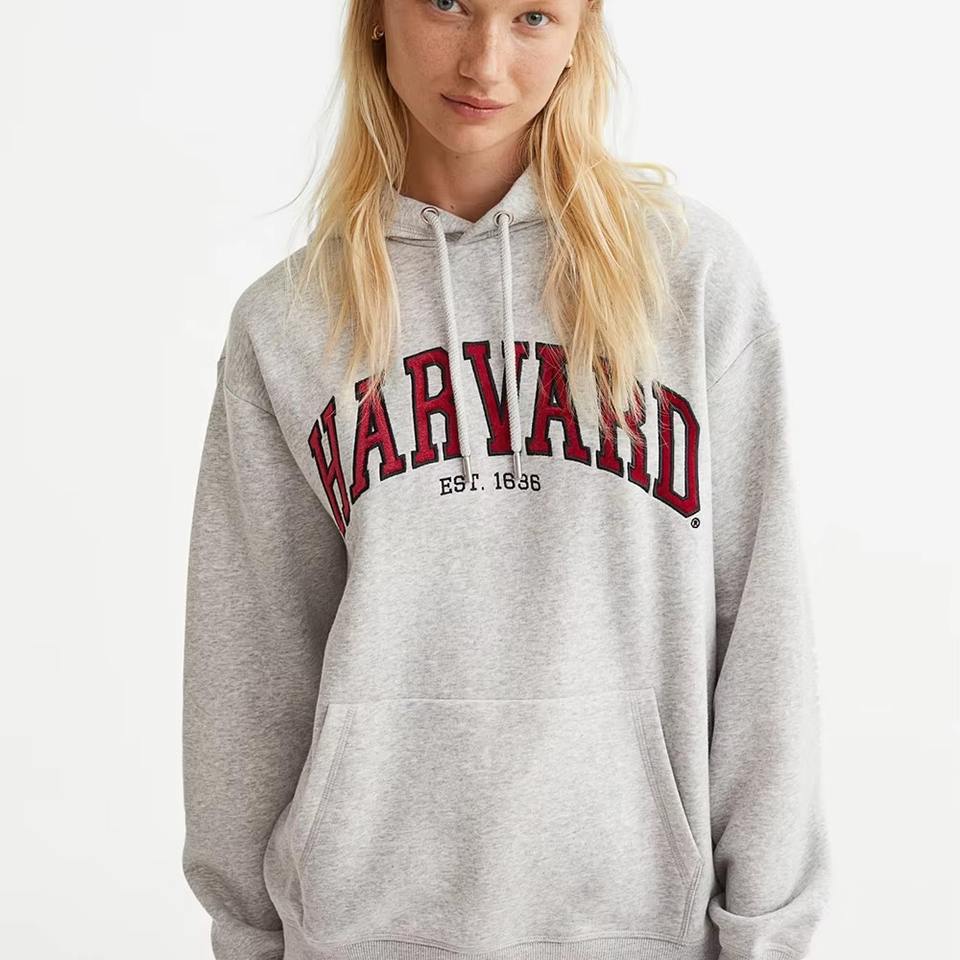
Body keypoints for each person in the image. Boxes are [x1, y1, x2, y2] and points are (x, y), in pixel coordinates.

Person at [180, 2, 832, 959]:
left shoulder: (688, 279)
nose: (484, 61)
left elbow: (761, 627)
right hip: (362, 929)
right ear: (377, 17)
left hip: (638, 925)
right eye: (449, 2)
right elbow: (251, 665)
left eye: (533, 15)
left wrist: (767, 934)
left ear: (579, 35)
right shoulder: (288, 322)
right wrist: (248, 936)